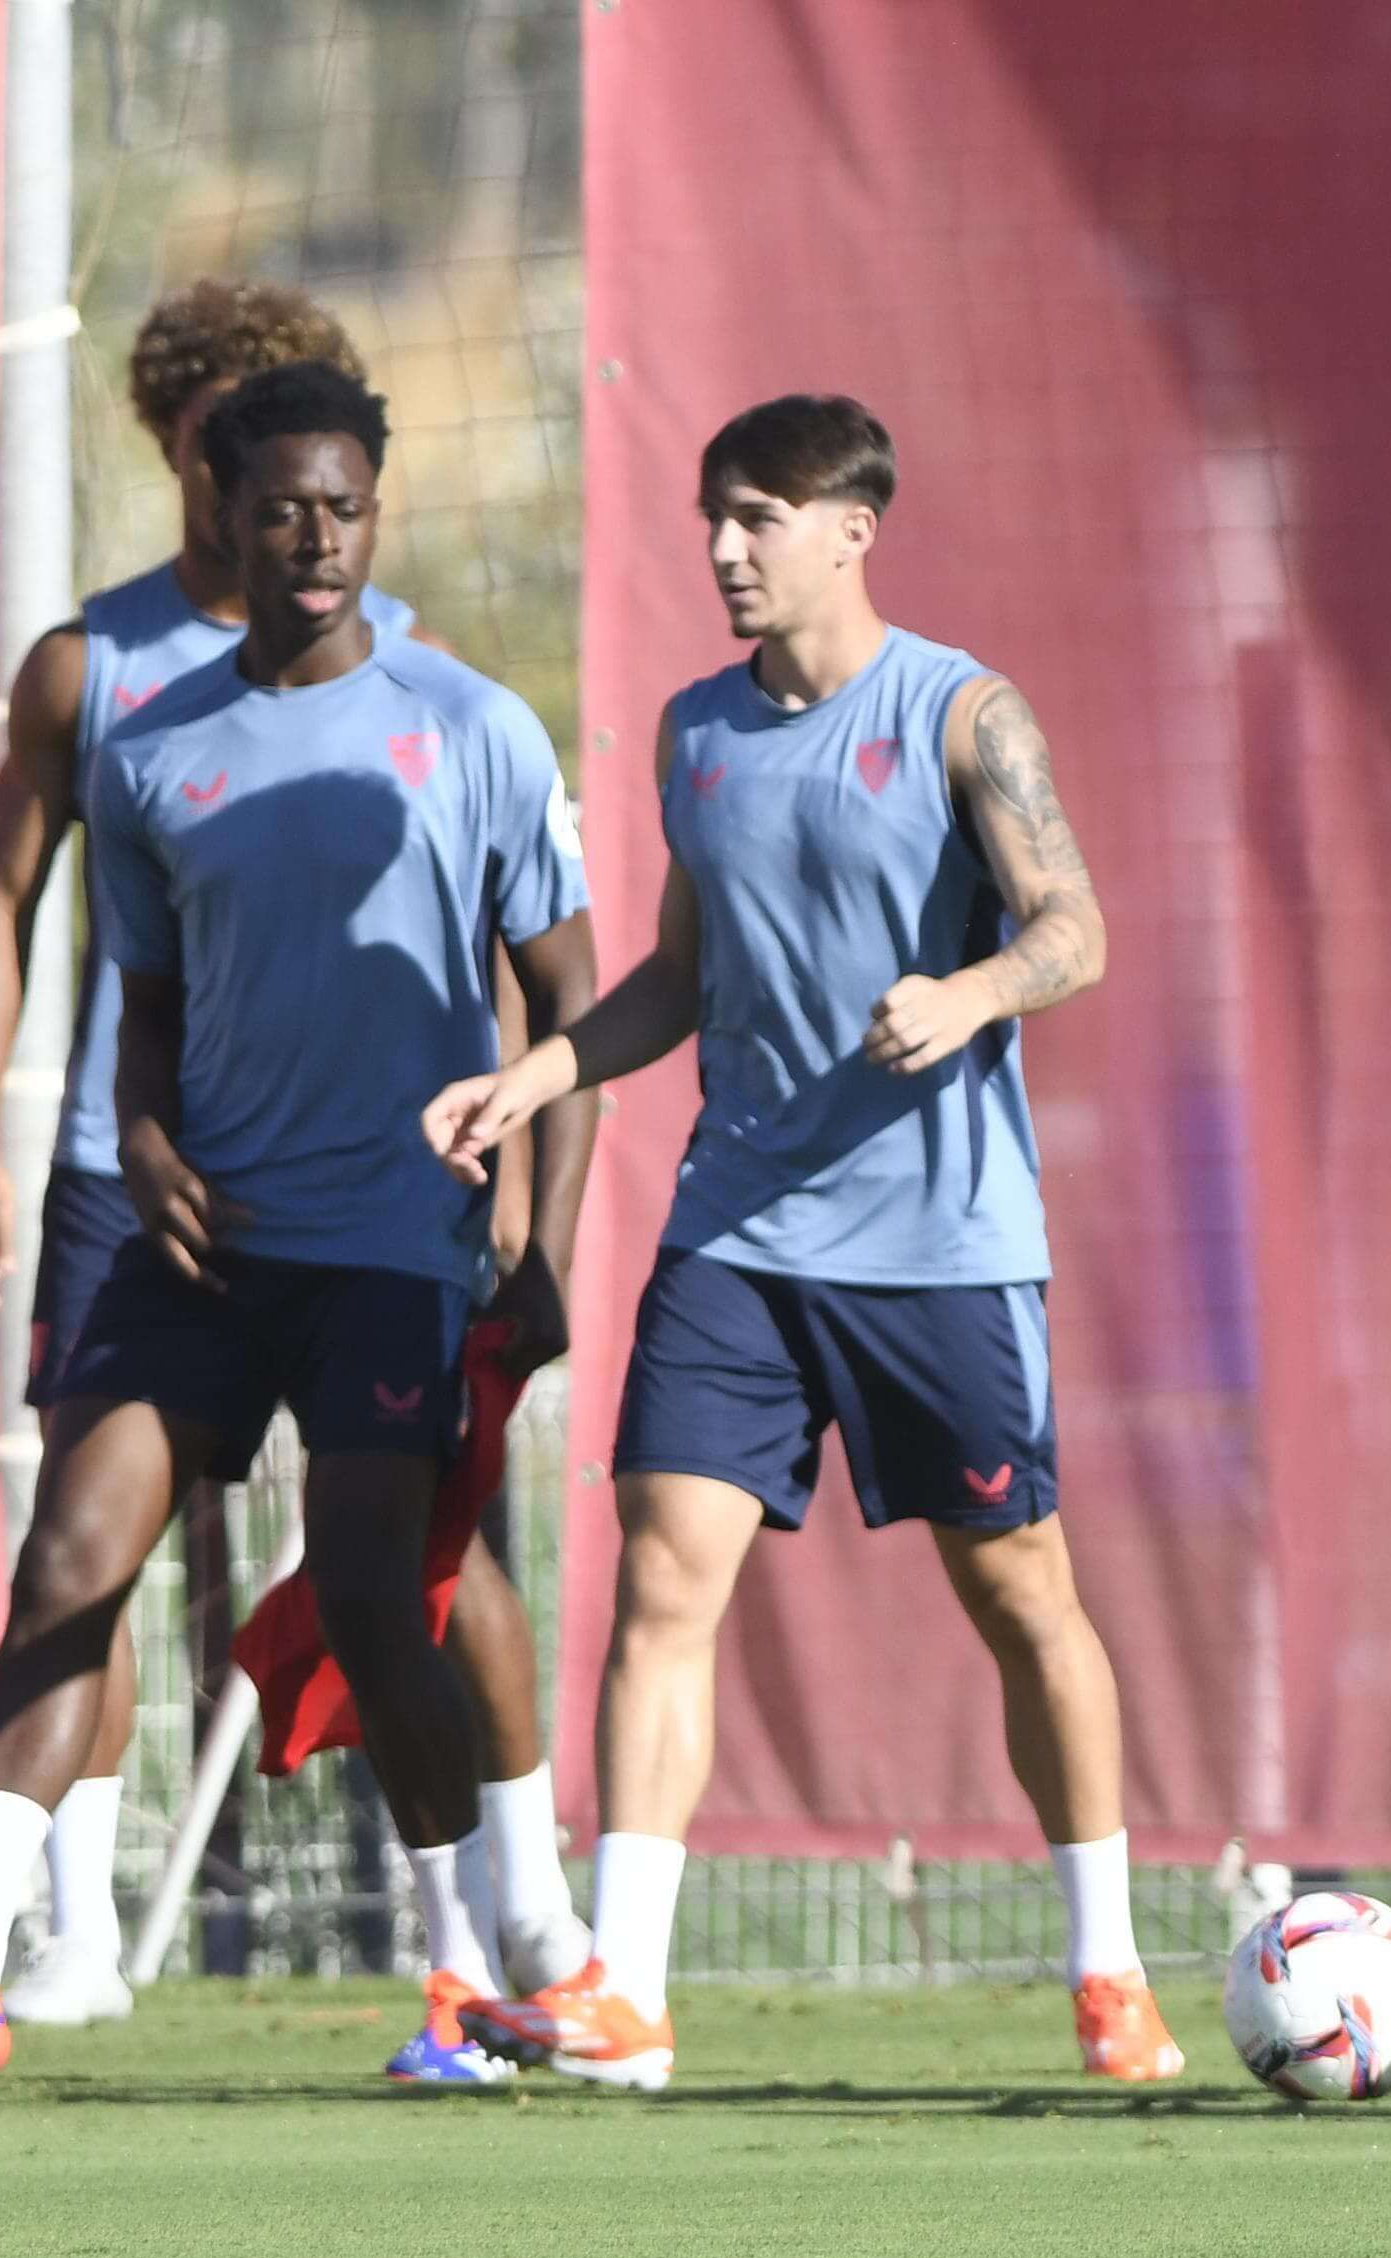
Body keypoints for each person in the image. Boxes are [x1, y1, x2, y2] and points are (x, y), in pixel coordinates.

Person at [0, 362, 597, 2084]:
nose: (317, 539)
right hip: (203, 1246)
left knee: (373, 1592)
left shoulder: (473, 728)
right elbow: (142, 1001)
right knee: (69, 1559)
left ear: (376, 511)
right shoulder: (151, 746)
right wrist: (141, 1136)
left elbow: (568, 1010)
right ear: (225, 509)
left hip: (392, 1250)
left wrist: (540, 1249)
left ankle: (464, 1977)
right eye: (284, 508)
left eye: (345, 508)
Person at [420, 394, 1179, 2091]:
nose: (723, 549)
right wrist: (535, 1071)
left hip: (941, 1249)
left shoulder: (962, 712)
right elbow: (685, 977)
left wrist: (969, 992)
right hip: (738, 1234)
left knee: (1021, 1594)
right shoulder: (694, 731)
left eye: (758, 517)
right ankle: (627, 1991)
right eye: (711, 515)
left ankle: (1109, 1967)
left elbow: (1073, 926)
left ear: (851, 529)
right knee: (661, 1576)